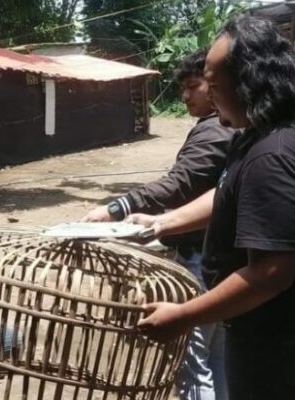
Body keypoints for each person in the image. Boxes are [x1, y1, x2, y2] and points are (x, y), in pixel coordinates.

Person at [128, 16, 295, 400]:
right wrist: (163, 222)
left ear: (249, 83)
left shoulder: (275, 156)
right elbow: (227, 191)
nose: (209, 97)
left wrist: (184, 316)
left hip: (280, 330)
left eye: (214, 86)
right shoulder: (268, 131)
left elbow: (270, 272)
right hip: (274, 321)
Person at [82, 50, 233, 400]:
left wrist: (118, 207)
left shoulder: (215, 131)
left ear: (214, 86)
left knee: (192, 360)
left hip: (202, 258)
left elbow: (180, 183)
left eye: (193, 86)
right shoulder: (227, 127)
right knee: (218, 357)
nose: (185, 95)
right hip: (222, 258)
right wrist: (158, 221)